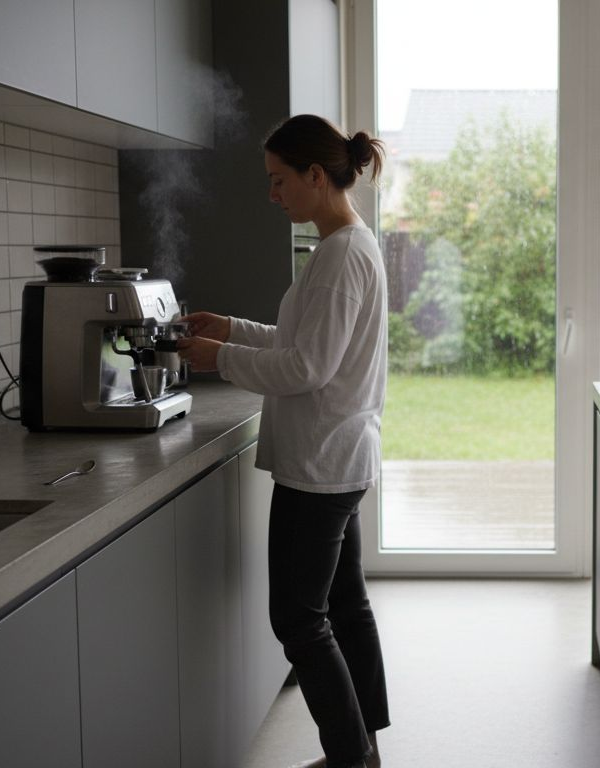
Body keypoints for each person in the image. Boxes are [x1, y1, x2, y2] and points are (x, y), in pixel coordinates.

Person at [176, 114, 390, 768]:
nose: (273, 195)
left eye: (278, 181)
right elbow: (302, 345)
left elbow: (305, 369)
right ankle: (365, 747)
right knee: (344, 605)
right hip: (339, 457)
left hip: (320, 467)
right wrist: (233, 330)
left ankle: (352, 757)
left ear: (315, 176)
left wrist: (217, 358)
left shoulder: (339, 255)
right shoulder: (349, 246)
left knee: (299, 621)